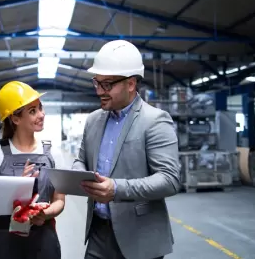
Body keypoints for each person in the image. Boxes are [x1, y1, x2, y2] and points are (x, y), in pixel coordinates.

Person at [72, 40, 181, 259]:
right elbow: (81, 159)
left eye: (107, 85)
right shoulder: (93, 120)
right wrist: (78, 175)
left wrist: (117, 189)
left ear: (131, 84)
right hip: (98, 234)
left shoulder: (155, 120)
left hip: (139, 238)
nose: (100, 91)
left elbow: (169, 179)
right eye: (97, 83)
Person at [0, 81, 65, 259]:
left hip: (43, 241)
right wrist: (19, 188)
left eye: (40, 108)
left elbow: (59, 201)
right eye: (32, 111)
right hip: (4, 243)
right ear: (15, 119)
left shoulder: (52, 153)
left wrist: (44, 214)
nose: (41, 115)